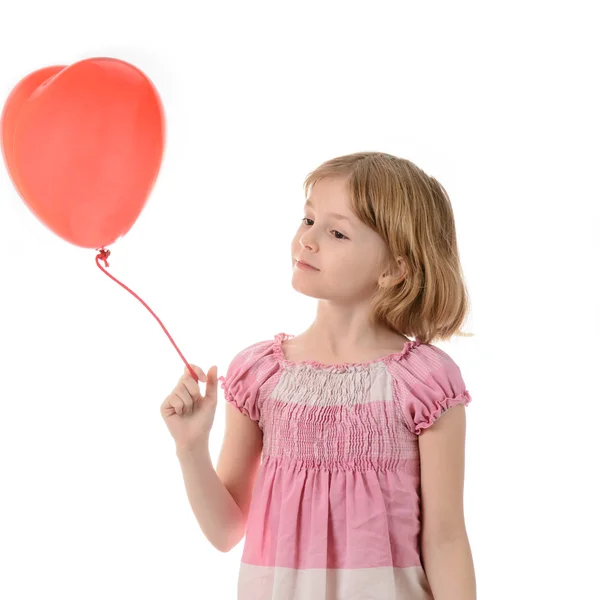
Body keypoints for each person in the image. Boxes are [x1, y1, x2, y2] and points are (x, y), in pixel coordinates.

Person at [161, 151, 477, 600]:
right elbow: (226, 530)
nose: (307, 241)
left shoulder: (423, 383)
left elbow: (445, 537)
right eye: (308, 220)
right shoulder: (261, 375)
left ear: (394, 269)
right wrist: (190, 447)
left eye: (336, 232)